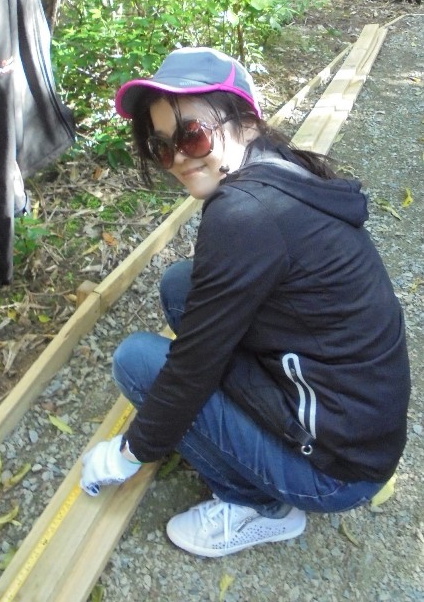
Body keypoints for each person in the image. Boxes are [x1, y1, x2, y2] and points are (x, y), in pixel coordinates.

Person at [80, 47, 411, 558]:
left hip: (337, 470)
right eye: (162, 147)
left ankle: (260, 506)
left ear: (247, 122)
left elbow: (191, 366)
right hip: (352, 420)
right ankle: (250, 451)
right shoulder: (277, 168)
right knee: (181, 285)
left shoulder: (244, 214)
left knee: (139, 362)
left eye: (192, 135)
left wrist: (129, 453)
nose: (179, 158)